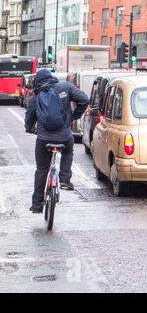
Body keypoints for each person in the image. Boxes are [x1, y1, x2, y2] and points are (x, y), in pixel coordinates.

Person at [24, 69, 89, 213]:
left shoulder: (36, 96)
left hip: (43, 138)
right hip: (64, 137)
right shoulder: (65, 87)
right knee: (68, 150)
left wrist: (29, 128)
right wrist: (74, 116)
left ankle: (37, 204)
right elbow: (84, 99)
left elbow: (29, 117)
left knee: (41, 170)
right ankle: (65, 179)